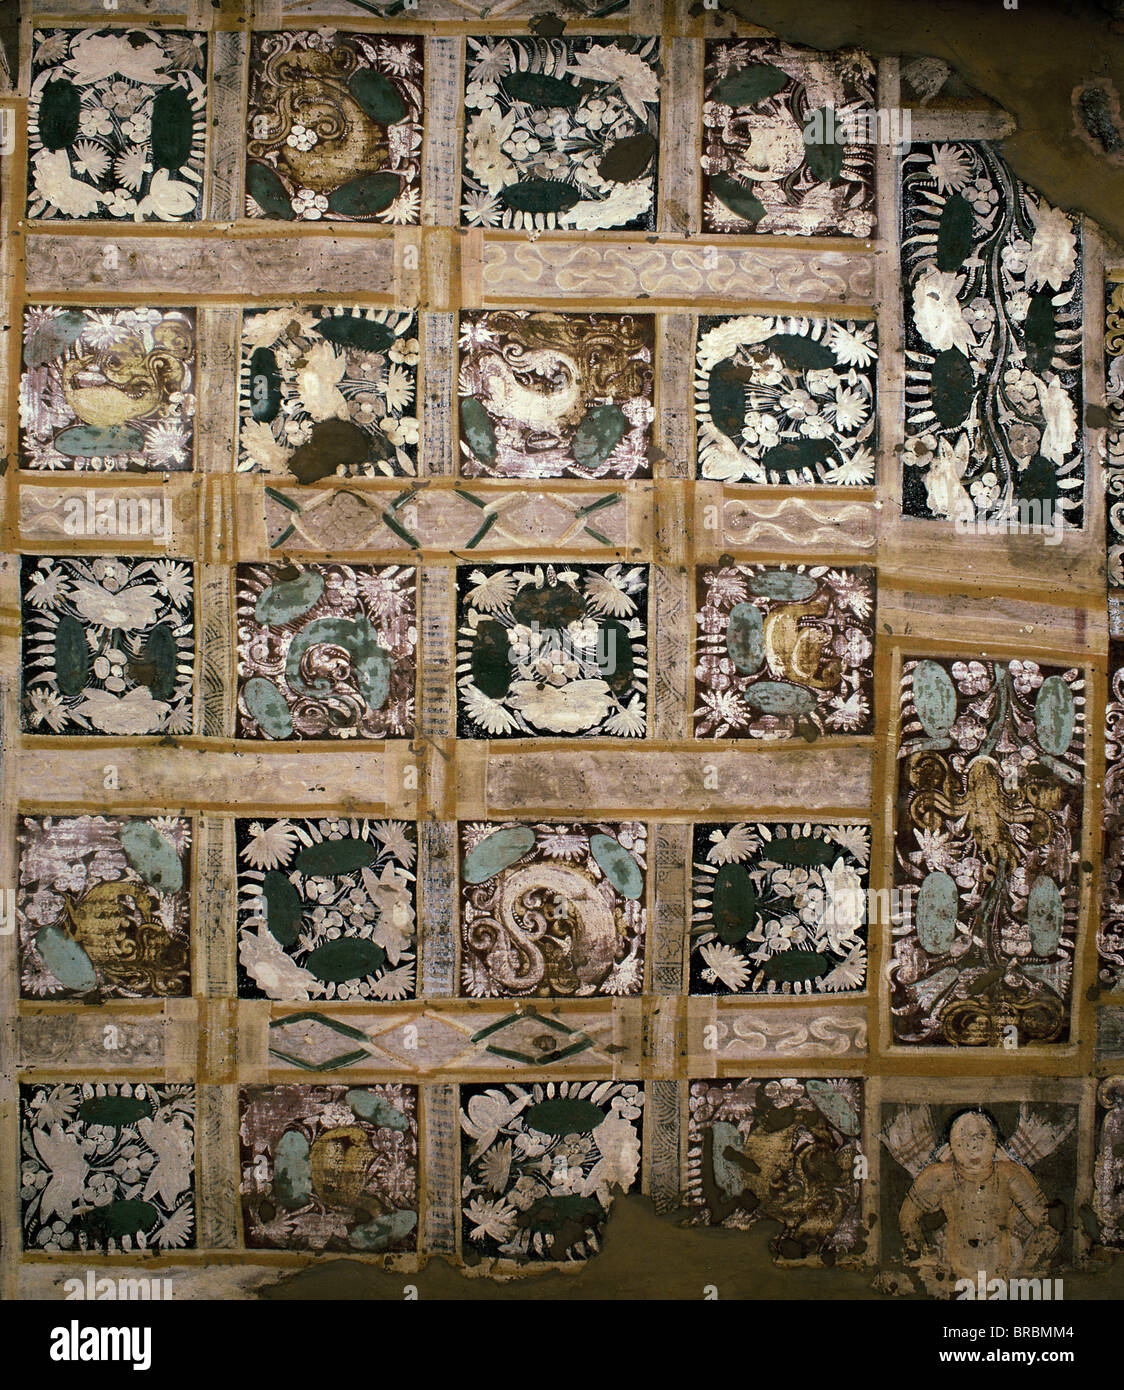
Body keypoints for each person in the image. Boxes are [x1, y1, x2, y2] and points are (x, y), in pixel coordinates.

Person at [899, 1110, 1057, 1280]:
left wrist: (1027, 1266)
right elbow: (907, 1218)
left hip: (1003, 1275)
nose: (973, 1147)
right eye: (963, 1138)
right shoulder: (937, 1175)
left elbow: (1049, 1223)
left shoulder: (1010, 1174)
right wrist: (925, 1258)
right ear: (950, 1146)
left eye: (981, 1136)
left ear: (994, 1142)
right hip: (952, 1275)